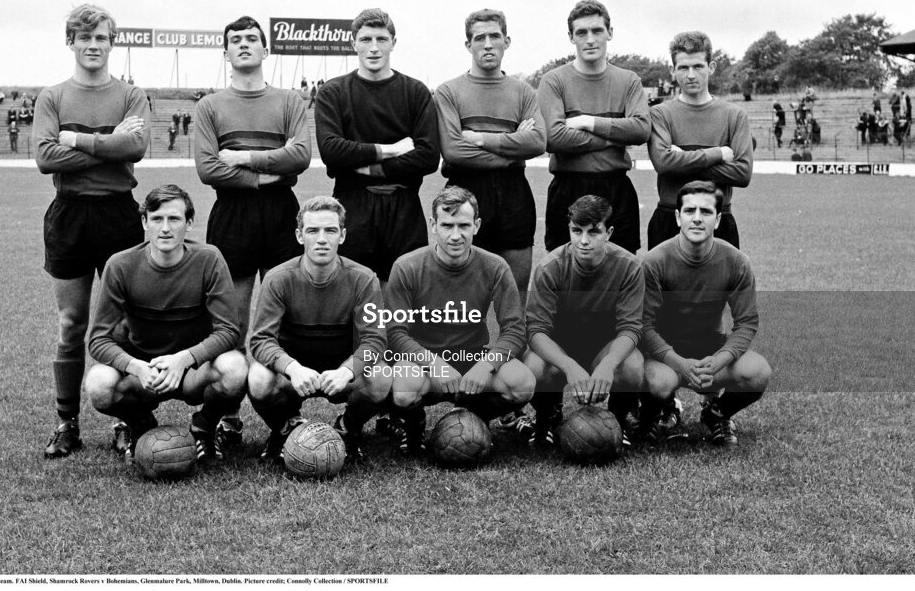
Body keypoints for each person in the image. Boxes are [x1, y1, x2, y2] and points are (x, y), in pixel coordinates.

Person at [34, 3, 150, 458]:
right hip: (69, 215)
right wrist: (109, 144)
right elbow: (46, 158)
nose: (93, 45)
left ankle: (126, 419)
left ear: (111, 43)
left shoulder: (130, 94)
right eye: (85, 37)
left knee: (123, 323)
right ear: (71, 42)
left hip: (118, 214)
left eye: (101, 37)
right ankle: (67, 424)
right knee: (71, 323)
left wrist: (78, 140)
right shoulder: (53, 97)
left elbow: (135, 147)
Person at [85, 185, 249, 461]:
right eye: (157, 219)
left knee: (235, 368)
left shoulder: (209, 259)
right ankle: (140, 424)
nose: (165, 228)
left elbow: (229, 330)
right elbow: (98, 339)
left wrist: (184, 359)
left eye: (174, 219)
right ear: (144, 222)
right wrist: (136, 367)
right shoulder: (120, 265)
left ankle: (204, 427)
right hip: (145, 373)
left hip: (193, 370)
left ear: (189, 223)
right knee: (98, 384)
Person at [194, 15, 311, 364]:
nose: (243, 44)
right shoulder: (210, 105)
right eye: (235, 40)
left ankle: (279, 395)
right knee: (232, 321)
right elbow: (208, 168)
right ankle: (231, 395)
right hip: (232, 212)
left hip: (281, 211)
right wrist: (266, 174)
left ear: (265, 50)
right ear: (226, 53)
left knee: (285, 316)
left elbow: (301, 156)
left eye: (251, 38)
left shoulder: (289, 101)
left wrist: (243, 157)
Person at [386, 186, 535, 454]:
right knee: (405, 390)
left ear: (476, 225)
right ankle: (414, 424)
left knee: (522, 384)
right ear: (433, 225)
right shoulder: (407, 266)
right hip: (425, 362)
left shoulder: (495, 266)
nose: (455, 235)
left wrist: (486, 365)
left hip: (472, 357)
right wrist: (435, 364)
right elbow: (395, 333)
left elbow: (515, 330)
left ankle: (476, 416)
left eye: (464, 225)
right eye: (447, 225)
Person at [248, 196, 392, 464]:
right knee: (258, 378)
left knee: (381, 376)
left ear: (343, 235)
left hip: (340, 371)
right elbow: (260, 340)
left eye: (331, 230)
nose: (322, 239)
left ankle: (348, 428)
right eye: (313, 231)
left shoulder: (363, 279)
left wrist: (347, 370)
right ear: (299, 235)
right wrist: (292, 368)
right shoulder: (278, 278)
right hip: (295, 374)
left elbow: (375, 340)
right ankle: (285, 429)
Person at [639, 181, 771, 445]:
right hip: (666, 357)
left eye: (706, 211)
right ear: (678, 217)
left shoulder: (737, 262)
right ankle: (655, 412)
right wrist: (679, 363)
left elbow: (746, 323)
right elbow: (644, 324)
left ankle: (716, 414)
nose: (697, 218)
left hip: (711, 352)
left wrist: (720, 359)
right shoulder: (654, 261)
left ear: (718, 219)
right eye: (689, 211)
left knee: (758, 372)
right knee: (658, 382)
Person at [315, 8, 440, 285]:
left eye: (381, 39)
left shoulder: (415, 92)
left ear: (393, 43)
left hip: (404, 208)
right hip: (352, 206)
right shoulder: (333, 92)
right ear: (353, 43)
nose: (374, 47)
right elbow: (332, 151)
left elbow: (429, 157)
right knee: (354, 296)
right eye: (366, 39)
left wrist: (370, 168)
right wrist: (391, 150)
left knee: (404, 298)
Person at [434, 9, 546, 301]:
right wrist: (513, 149)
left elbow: (537, 141)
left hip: (514, 192)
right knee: (462, 297)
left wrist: (483, 139)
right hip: (464, 190)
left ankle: (511, 334)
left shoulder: (523, 92)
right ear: (468, 45)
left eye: (494, 36)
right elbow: (454, 151)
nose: (487, 44)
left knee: (514, 295)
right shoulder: (448, 91)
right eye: (479, 38)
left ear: (506, 41)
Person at [520, 195, 645, 447]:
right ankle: (547, 418)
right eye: (577, 231)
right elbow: (536, 331)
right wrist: (568, 365)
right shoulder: (550, 267)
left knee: (631, 366)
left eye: (594, 232)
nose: (584, 240)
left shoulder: (630, 267)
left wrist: (609, 363)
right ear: (569, 229)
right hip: (562, 348)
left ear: (609, 232)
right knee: (533, 367)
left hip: (604, 348)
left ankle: (617, 421)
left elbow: (631, 328)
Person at [538, 0, 650, 255]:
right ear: (571, 37)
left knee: (621, 270)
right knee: (565, 270)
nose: (590, 39)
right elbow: (553, 138)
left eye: (597, 31)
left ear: (610, 33)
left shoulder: (628, 81)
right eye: (582, 33)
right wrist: (613, 138)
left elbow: (641, 129)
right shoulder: (554, 81)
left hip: (616, 188)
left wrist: (589, 122)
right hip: (568, 187)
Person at [647, 31, 752, 250]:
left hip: (718, 218)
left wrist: (682, 160)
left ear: (711, 67)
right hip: (670, 217)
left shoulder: (734, 115)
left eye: (698, 66)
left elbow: (742, 173)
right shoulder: (660, 114)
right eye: (683, 68)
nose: (691, 75)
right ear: (672, 70)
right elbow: (663, 163)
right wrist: (717, 154)